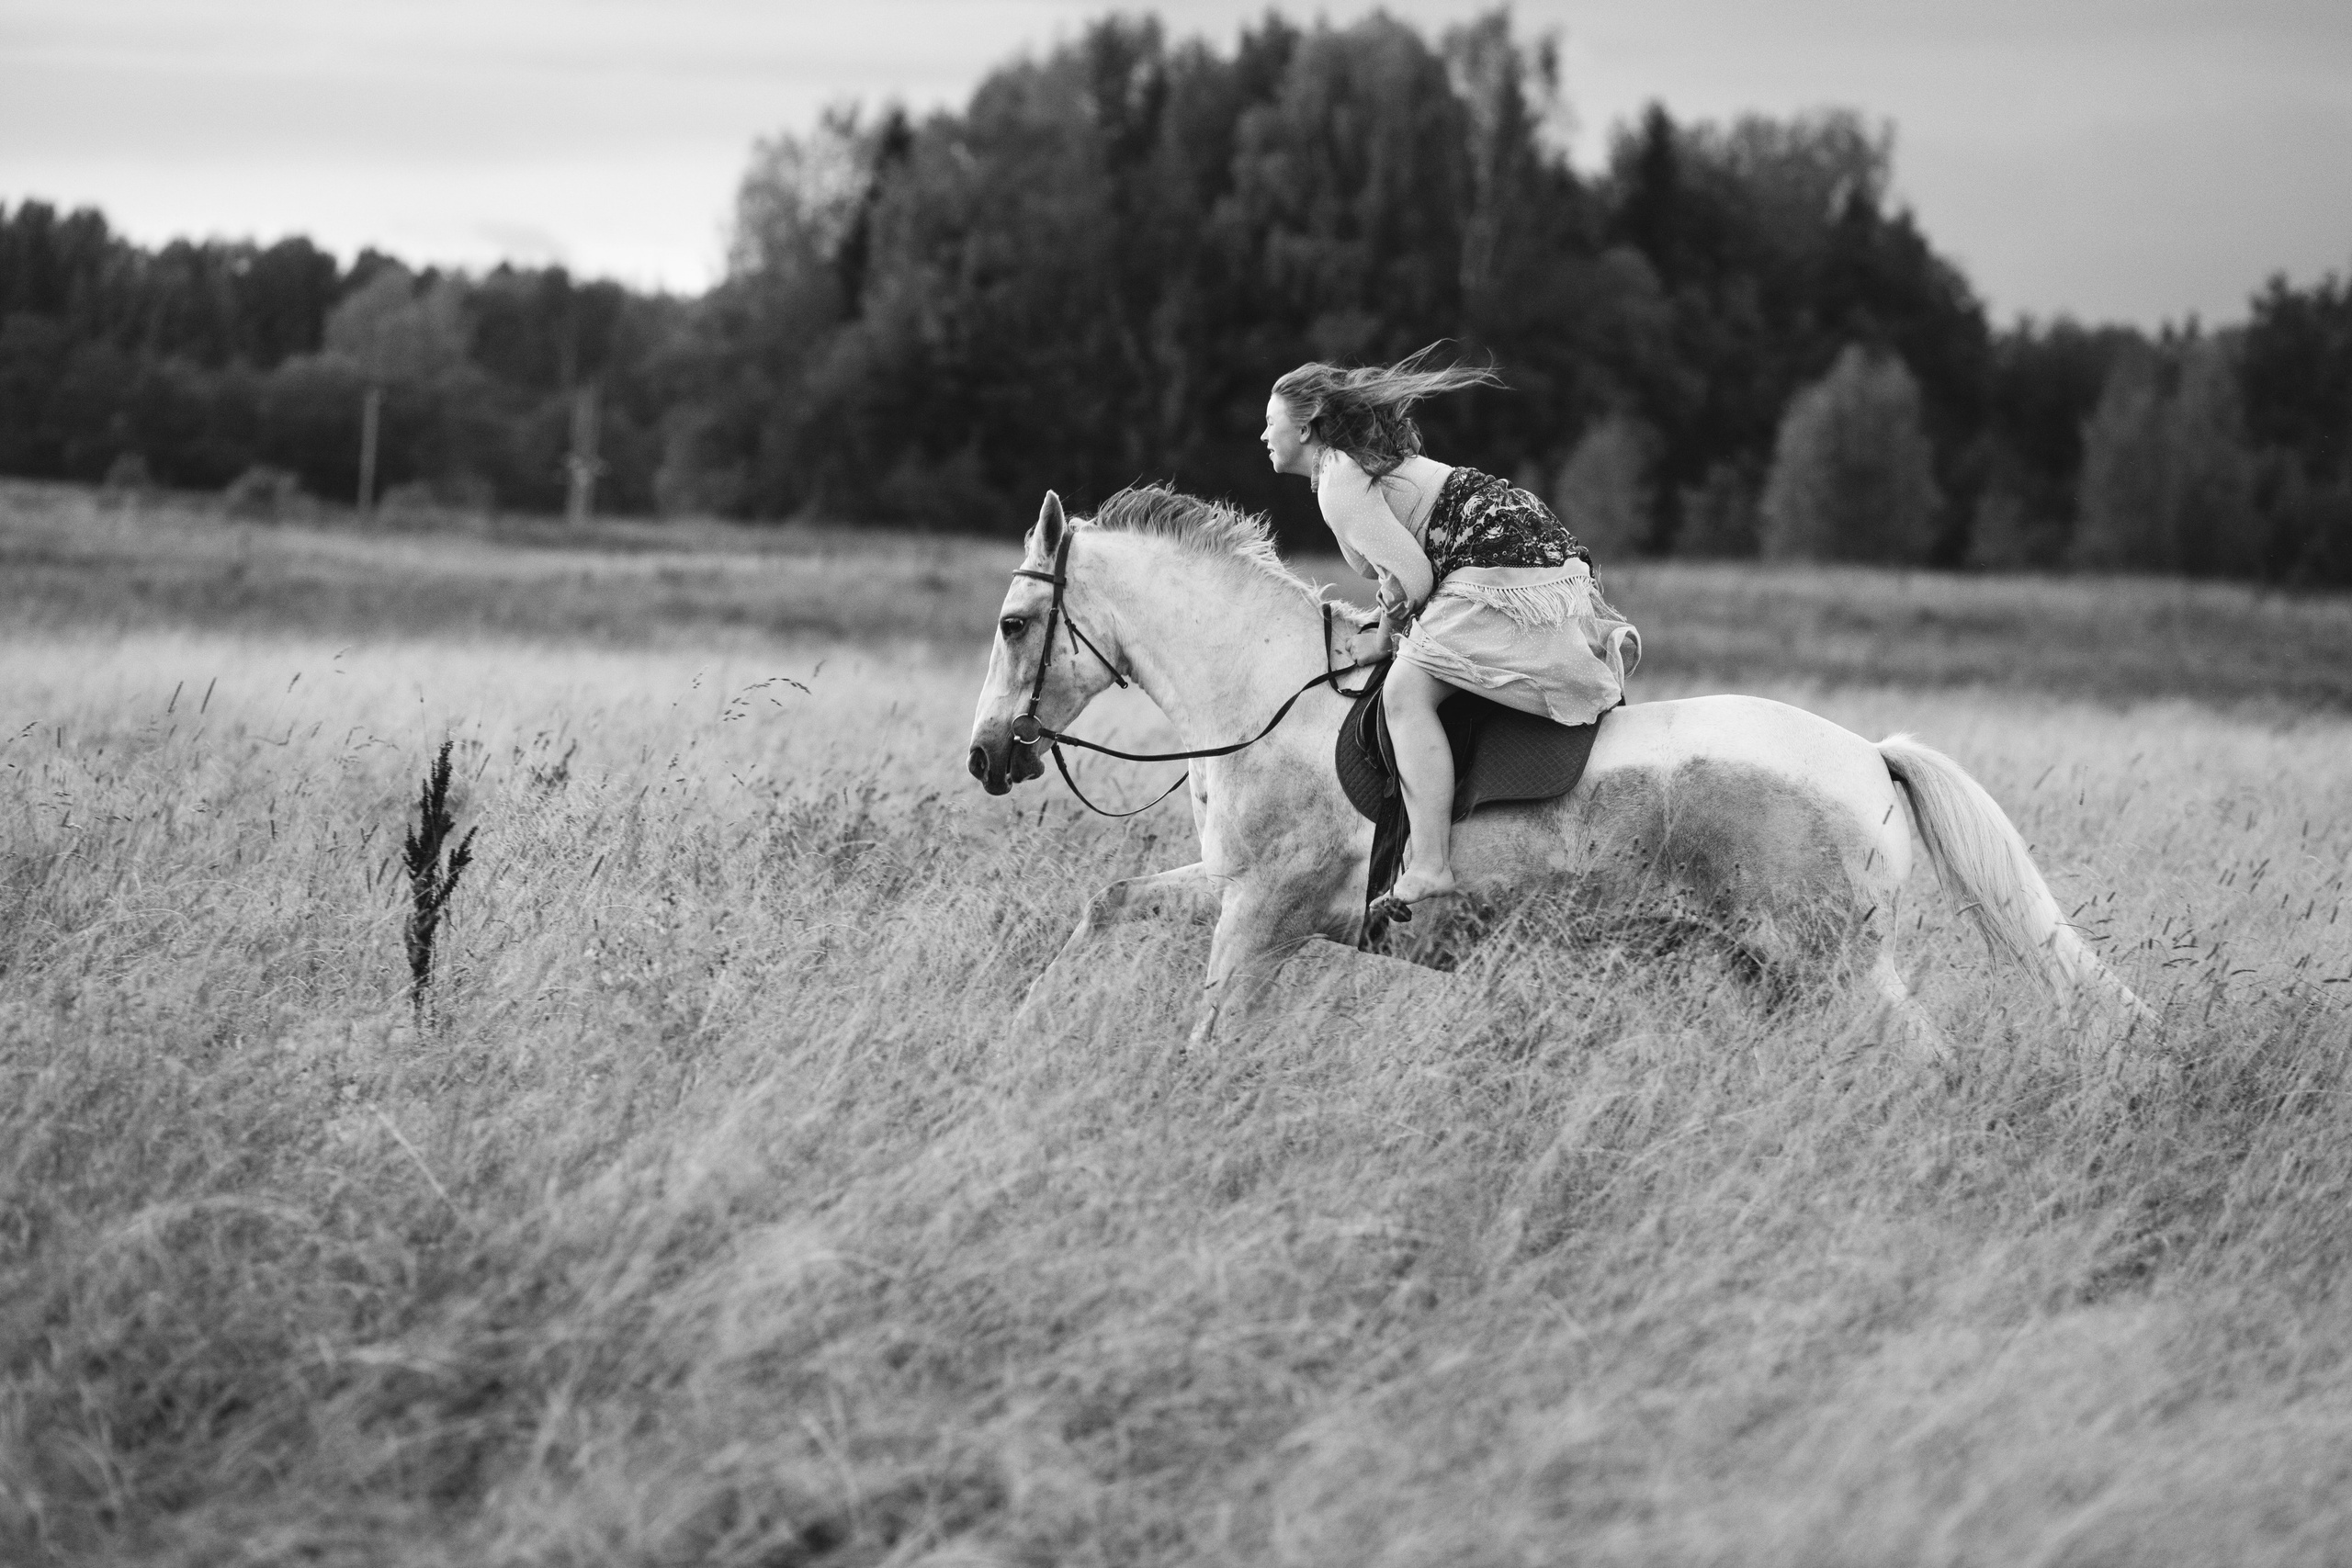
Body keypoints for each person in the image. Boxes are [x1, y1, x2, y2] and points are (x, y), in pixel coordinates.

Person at [1261, 347, 1637, 917]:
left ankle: (1431, 865)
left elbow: (1413, 577)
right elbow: (1400, 568)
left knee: (1403, 694)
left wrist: (1387, 632)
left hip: (1497, 567)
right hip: (1523, 552)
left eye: (1271, 422)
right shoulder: (1341, 471)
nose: (1263, 434)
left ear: (1307, 427)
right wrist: (1388, 627)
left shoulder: (1338, 476)